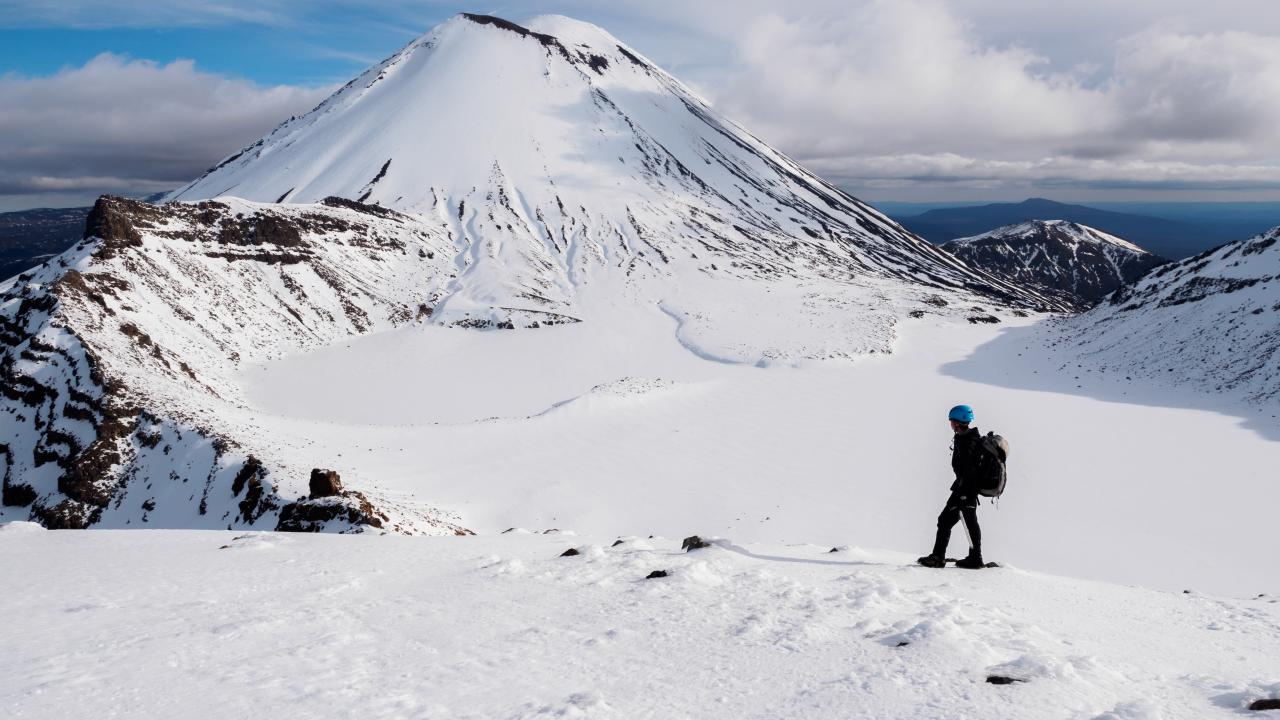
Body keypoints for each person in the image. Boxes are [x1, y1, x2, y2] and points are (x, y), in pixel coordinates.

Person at [917, 404, 986, 569]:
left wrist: (964, 492)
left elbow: (969, 469)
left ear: (957, 422)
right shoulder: (968, 438)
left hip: (965, 490)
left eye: (951, 420)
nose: (950, 424)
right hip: (964, 489)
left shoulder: (967, 441)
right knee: (951, 521)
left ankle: (945, 558)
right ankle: (968, 557)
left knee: (962, 521)